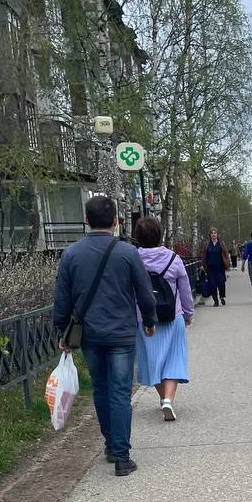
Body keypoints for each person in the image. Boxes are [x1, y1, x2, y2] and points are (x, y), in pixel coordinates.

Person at [54, 195, 157, 477]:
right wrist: (150, 321)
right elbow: (144, 292)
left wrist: (62, 332)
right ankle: (123, 457)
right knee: (120, 392)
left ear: (86, 220)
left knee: (101, 389)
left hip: (90, 335)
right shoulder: (128, 253)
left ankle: (111, 445)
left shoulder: (71, 254)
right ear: (115, 220)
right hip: (121, 334)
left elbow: (62, 298)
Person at [133, 217, 194, 422]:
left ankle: (163, 398)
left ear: (137, 236)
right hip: (172, 316)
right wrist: (188, 314)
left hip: (144, 319)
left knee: (154, 361)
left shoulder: (133, 260)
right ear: (160, 234)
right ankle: (168, 399)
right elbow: (185, 290)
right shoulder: (173, 259)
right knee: (174, 359)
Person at [201, 227, 230, 306]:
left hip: (220, 267)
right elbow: (204, 255)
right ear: (210, 235)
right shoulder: (207, 244)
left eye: (215, 233)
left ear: (217, 234)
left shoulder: (221, 243)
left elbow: (225, 254)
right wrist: (202, 265)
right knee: (212, 284)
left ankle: (222, 296)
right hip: (210, 268)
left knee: (221, 282)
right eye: (212, 233)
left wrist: (227, 264)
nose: (213, 235)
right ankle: (215, 301)